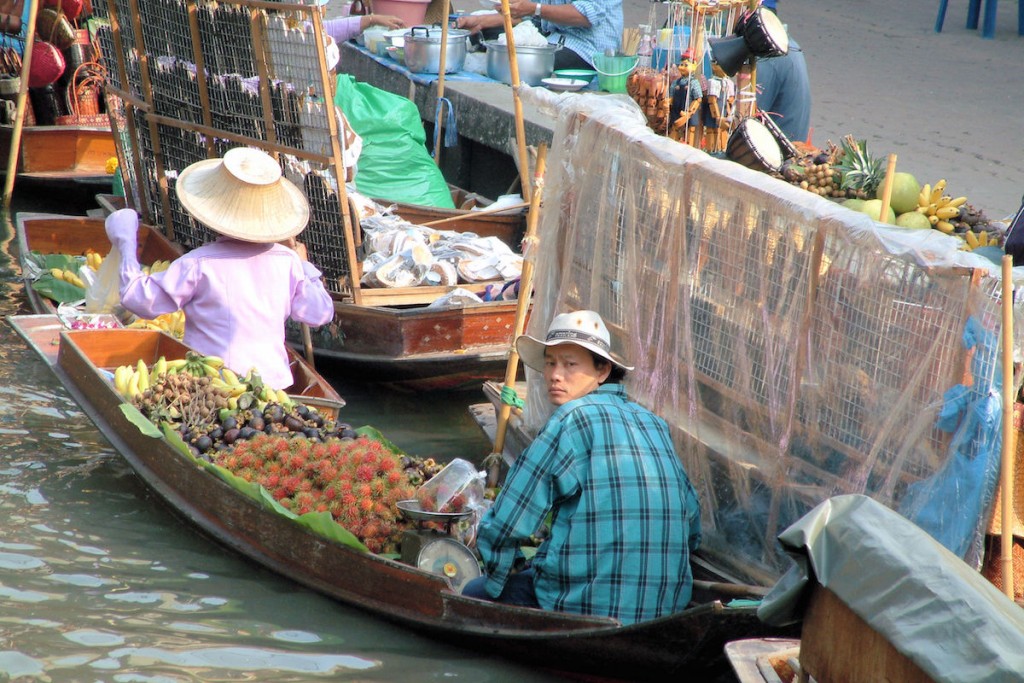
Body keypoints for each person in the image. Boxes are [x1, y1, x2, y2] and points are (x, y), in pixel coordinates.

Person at [461, 310, 702, 625]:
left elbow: (505, 525)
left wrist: (502, 572)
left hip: (582, 606)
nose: (554, 375)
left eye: (570, 364)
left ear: (602, 371)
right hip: (664, 608)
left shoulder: (571, 418)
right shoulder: (654, 423)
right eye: (550, 362)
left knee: (473, 592)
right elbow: (692, 525)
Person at [104, 147, 335, 391]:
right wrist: (305, 265)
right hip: (275, 388)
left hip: (211, 386)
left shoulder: (197, 264)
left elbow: (137, 299)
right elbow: (319, 313)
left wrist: (126, 241)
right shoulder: (288, 261)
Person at [457, 0, 622, 71]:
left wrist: (535, 8)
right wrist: (481, 21)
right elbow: (531, 14)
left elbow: (586, 15)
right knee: (484, 34)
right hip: (550, 36)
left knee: (522, 61)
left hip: (586, 50)